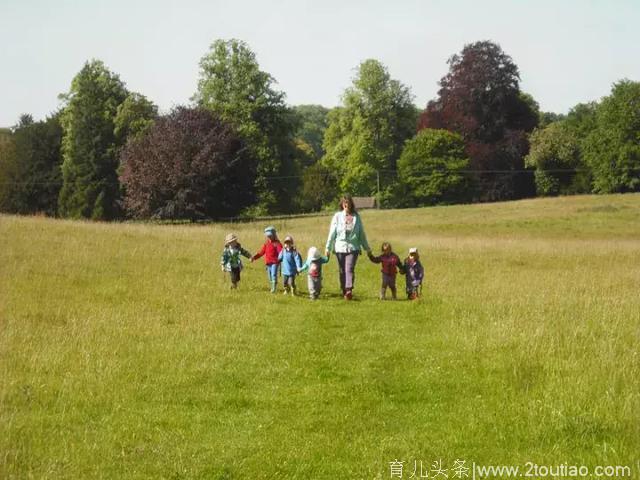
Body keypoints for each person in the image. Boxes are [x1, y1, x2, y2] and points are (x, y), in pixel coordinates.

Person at [325, 194, 371, 300]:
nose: (347, 204)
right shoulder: (337, 216)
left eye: (348, 202)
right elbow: (332, 233)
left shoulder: (356, 217)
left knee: (349, 268)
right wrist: (328, 247)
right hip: (339, 247)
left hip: (353, 247)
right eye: (345, 202)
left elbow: (361, 234)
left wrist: (367, 248)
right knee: (342, 270)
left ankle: (349, 289)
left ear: (351, 204)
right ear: (342, 204)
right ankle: (344, 290)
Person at [251, 226, 283, 293]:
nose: (269, 237)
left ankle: (273, 288)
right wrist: (254, 257)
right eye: (268, 236)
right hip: (268, 263)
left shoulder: (277, 243)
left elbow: (281, 252)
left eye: (270, 236)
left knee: (273, 274)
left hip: (275, 262)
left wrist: (280, 259)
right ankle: (273, 285)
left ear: (274, 235)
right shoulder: (266, 243)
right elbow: (261, 252)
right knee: (270, 277)